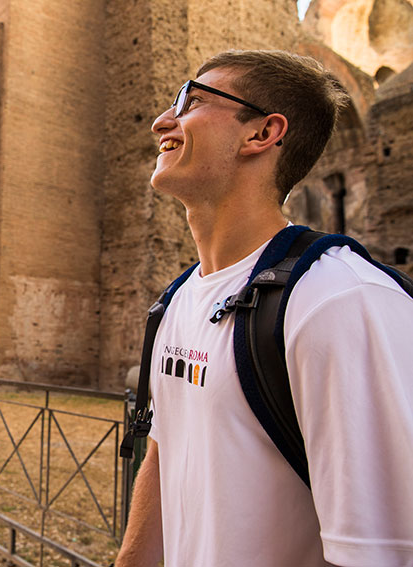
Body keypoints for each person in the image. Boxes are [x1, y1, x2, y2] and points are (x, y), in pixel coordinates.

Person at [115, 50, 413, 567]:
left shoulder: (341, 301)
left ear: (261, 134)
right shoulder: (179, 298)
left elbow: (381, 552)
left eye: (192, 101)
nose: (164, 120)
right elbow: (166, 453)